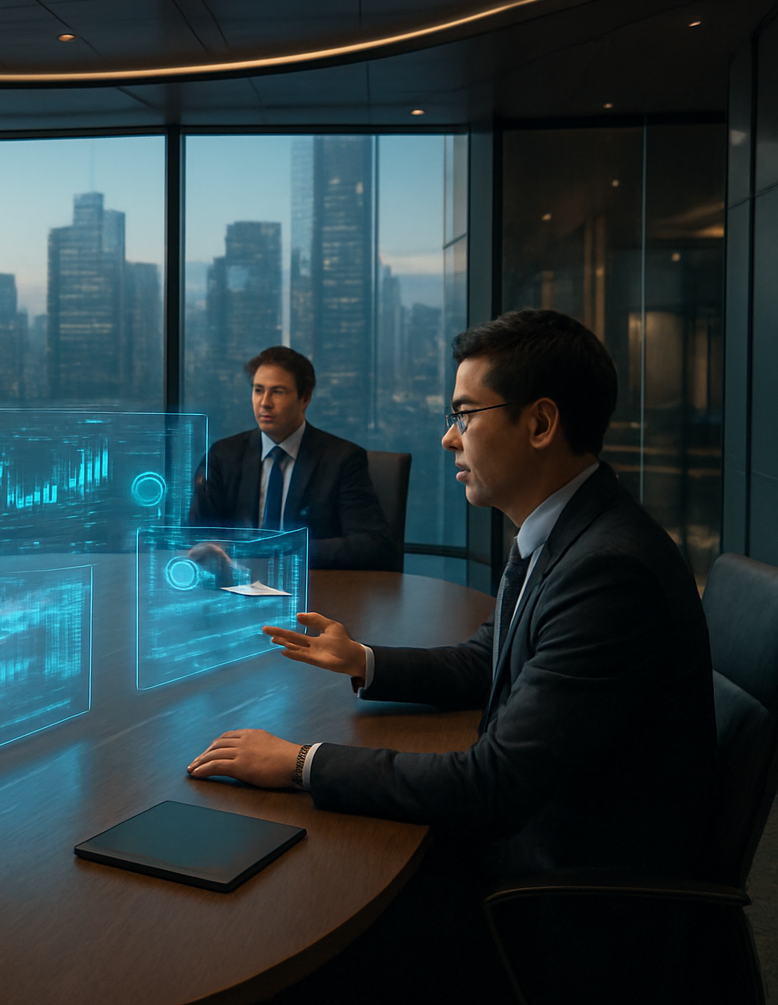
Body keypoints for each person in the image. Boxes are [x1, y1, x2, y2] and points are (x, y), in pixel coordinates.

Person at [187, 310, 715, 997]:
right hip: (538, 846)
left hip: (561, 903)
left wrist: (299, 762)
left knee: (292, 915)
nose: (447, 437)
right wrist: (365, 660)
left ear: (540, 424)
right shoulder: (564, 534)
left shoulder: (606, 570)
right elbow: (484, 661)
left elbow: (491, 786)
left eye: (464, 414)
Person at [188, 346, 397, 570]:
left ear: (304, 398)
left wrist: (284, 548)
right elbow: (197, 536)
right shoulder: (224, 455)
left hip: (315, 590)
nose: (265, 402)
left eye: (277, 392)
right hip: (236, 586)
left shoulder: (342, 460)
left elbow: (374, 544)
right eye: (258, 390)